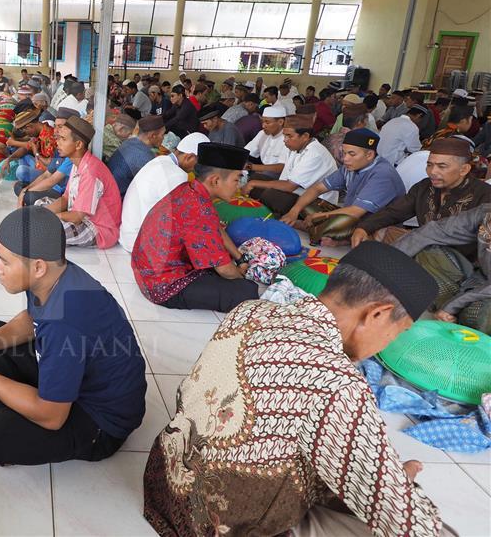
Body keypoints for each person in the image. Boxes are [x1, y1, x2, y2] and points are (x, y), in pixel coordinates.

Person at [143, 241, 452, 536]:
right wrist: (394, 485)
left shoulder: (249, 311)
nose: (388, 344)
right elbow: (402, 519)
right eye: (398, 333)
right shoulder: (337, 381)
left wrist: (377, 473)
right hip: (216, 524)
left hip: (165, 484)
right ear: (377, 314)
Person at [0, 205, 146, 465]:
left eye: (5, 261)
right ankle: (9, 398)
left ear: (38, 267)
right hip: (79, 374)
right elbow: (32, 319)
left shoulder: (64, 322)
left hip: (101, 422)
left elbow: (53, 417)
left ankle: (7, 403)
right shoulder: (55, 274)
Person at [132, 142, 258, 312]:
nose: (239, 186)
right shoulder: (199, 209)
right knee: (247, 291)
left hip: (146, 270)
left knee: (220, 267)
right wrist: (239, 276)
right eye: (237, 179)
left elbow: (215, 228)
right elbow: (224, 270)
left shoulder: (189, 189)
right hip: (161, 285)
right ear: (215, 180)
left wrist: (240, 258)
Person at [352, 138, 491, 248]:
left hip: (460, 267)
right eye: (429, 165)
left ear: (464, 169)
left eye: (442, 166)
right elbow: (393, 212)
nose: (432, 172)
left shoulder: (485, 196)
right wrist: (364, 228)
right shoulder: (424, 187)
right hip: (422, 252)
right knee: (378, 232)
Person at [282, 129, 406, 245]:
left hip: (372, 224)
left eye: (352, 154)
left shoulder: (383, 174)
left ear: (369, 155)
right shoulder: (350, 166)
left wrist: (317, 216)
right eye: (344, 153)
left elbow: (355, 212)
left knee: (344, 220)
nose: (345, 159)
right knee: (304, 201)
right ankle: (323, 231)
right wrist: (294, 211)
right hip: (350, 214)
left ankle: (333, 236)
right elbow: (317, 188)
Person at [395, 204, 490, 332]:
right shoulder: (486, 211)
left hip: (486, 295)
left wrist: (453, 306)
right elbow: (435, 231)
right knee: (427, 252)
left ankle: (456, 312)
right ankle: (452, 310)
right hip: (478, 280)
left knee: (483, 315)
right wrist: (385, 260)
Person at [35, 117, 122, 249]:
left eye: (63, 139)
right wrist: (43, 213)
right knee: (39, 205)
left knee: (47, 228)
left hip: (96, 228)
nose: (57, 143)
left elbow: (77, 217)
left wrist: (48, 217)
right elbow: (66, 198)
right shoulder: (77, 162)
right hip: (78, 217)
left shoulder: (91, 171)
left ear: (78, 145)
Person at [119, 133, 209, 252]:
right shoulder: (177, 174)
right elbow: (179, 218)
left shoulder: (161, 160)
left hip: (128, 234)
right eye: (197, 165)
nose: (195, 169)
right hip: (139, 243)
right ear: (189, 157)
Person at [243, 113, 339, 216]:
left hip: (319, 202)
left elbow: (289, 186)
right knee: (258, 178)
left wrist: (253, 183)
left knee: (271, 195)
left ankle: (272, 216)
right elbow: (284, 181)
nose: (284, 140)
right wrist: (255, 182)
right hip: (298, 191)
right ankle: (265, 210)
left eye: (289, 136)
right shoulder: (295, 147)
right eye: (284, 135)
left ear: (305, 136)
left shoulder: (315, 154)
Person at [108, 115, 165, 196]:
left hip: (110, 188)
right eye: (162, 134)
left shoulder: (129, 141)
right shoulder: (147, 158)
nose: (163, 138)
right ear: (153, 136)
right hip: (118, 198)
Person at [244, 103, 288, 178]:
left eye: (267, 122)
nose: (263, 125)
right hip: (261, 170)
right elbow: (246, 152)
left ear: (280, 122)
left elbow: (281, 167)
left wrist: (251, 167)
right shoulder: (262, 134)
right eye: (262, 122)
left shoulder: (288, 138)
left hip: (278, 176)